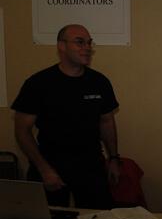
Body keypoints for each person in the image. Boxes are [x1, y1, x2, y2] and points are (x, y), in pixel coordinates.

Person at [12, 24, 120, 209]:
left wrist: (114, 159)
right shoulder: (38, 83)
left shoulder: (99, 82)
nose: (87, 47)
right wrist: (44, 169)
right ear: (61, 46)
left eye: (89, 43)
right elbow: (22, 130)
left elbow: (107, 122)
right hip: (50, 165)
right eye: (79, 42)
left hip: (90, 165)